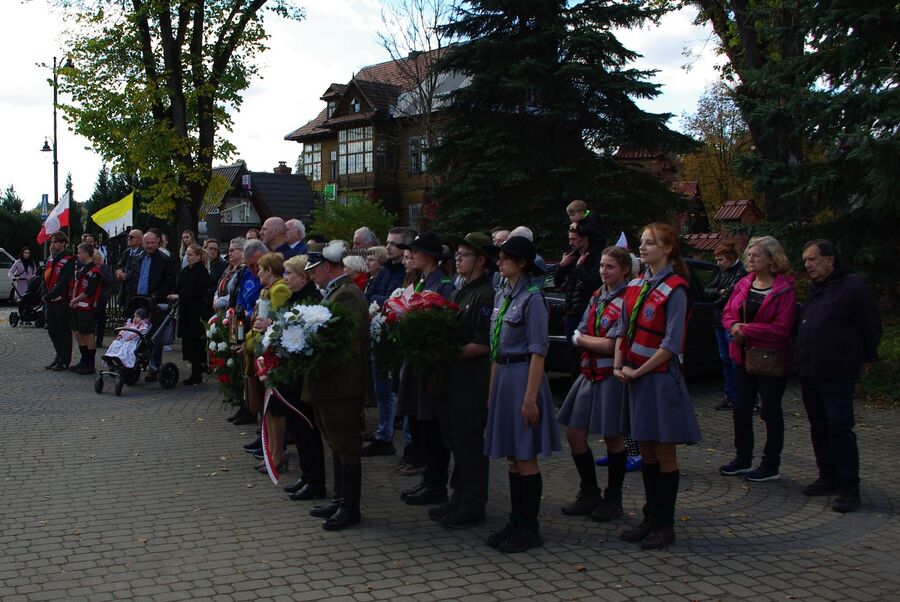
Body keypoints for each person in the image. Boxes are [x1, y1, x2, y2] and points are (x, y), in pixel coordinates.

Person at [612, 222, 701, 550]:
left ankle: (666, 522)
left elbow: (672, 342)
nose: (644, 247)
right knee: (645, 448)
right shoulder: (635, 284)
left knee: (663, 450)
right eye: (642, 242)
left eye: (651, 243)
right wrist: (620, 364)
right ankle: (650, 516)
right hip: (635, 376)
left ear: (668, 249)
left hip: (659, 378)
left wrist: (639, 371)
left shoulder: (676, 288)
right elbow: (622, 330)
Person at [482, 235, 560, 553]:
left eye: (504, 258)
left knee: (525, 456)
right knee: (513, 458)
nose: (499, 263)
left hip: (523, 378)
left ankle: (530, 526)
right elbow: (494, 348)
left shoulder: (533, 298)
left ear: (522, 263)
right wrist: (491, 393)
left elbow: (539, 351)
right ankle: (516, 520)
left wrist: (530, 398)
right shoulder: (503, 295)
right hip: (503, 377)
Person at [797, 240, 882, 513]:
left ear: (830, 260)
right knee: (818, 426)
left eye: (812, 259)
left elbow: (871, 325)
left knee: (839, 428)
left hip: (837, 371)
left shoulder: (853, 287)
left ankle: (848, 488)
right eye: (805, 260)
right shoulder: (816, 288)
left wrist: (867, 356)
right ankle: (827, 477)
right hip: (810, 369)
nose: (807, 264)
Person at [557, 246, 632, 520]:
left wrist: (582, 340)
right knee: (574, 434)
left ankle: (614, 499)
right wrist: (587, 339)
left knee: (613, 437)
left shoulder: (626, 300)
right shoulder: (598, 296)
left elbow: (612, 344)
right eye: (601, 266)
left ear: (624, 270)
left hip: (610, 376)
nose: (603, 271)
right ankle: (589, 492)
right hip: (589, 372)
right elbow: (586, 327)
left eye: (610, 266)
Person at [430, 232, 495, 529]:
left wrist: (445, 354)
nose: (457, 259)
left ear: (481, 260)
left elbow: (483, 344)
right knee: (453, 439)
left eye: (464, 255)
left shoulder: (484, 294)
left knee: (469, 443)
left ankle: (473, 504)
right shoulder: (460, 290)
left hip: (471, 380)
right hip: (452, 379)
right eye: (456, 254)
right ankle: (459, 496)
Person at [719, 236, 796, 482]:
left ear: (772, 259)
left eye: (756, 255)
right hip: (742, 357)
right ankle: (743, 458)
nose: (750, 259)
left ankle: (770, 464)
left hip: (770, 360)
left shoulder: (783, 289)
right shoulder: (743, 283)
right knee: (741, 409)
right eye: (748, 255)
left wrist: (746, 330)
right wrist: (733, 327)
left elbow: (782, 328)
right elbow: (728, 312)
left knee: (770, 412)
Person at [304, 241, 369, 530]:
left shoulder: (348, 295)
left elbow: (343, 342)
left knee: (345, 442)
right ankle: (340, 498)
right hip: (330, 381)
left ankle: (350, 506)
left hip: (341, 382)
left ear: (328, 267)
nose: (311, 275)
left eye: (314, 270)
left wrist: (312, 359)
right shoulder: (337, 292)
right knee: (335, 441)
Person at [395, 233, 456, 505]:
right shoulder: (422, 281)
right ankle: (429, 480)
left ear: (428, 257)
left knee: (433, 428)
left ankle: (436, 484)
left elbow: (442, 324)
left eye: (415, 252)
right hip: (420, 362)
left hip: (432, 366)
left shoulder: (442, 284)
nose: (412, 256)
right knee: (422, 425)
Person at [362, 227, 415, 458]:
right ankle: (384, 434)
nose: (388, 247)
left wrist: (384, 301)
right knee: (381, 389)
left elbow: (403, 299)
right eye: (387, 242)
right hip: (379, 335)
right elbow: (369, 297)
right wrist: (386, 300)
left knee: (400, 392)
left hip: (398, 338)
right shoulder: (384, 272)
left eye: (394, 243)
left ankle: (411, 444)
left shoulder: (409, 273)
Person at [280, 254, 327, 501]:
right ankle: (307, 476)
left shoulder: (311, 300)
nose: (285, 278)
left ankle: (315, 480)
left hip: (303, 375)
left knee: (307, 427)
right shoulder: (296, 297)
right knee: (298, 427)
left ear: (303, 276)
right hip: (292, 372)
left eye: (289, 274)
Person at [245, 252, 292, 471]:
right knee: (268, 408)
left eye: (261, 269)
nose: (258, 273)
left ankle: (277, 453)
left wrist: (254, 343)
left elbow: (274, 320)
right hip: (263, 350)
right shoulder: (267, 290)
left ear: (270, 271)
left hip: (271, 353)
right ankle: (271, 451)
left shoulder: (279, 289)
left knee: (274, 407)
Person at [125, 229, 177, 381]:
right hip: (138, 300)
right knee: (136, 332)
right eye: (146, 243)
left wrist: (156, 294)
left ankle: (154, 367)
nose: (149, 245)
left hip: (155, 302)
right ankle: (133, 362)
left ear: (158, 242)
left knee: (154, 336)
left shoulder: (164, 260)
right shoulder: (138, 258)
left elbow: (170, 281)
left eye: (152, 242)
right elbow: (133, 278)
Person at [555, 222, 603, 376]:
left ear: (585, 238)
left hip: (584, 310)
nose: (571, 242)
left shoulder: (595, 257)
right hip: (571, 309)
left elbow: (591, 283)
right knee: (572, 353)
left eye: (574, 239)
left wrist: (580, 266)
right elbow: (557, 282)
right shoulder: (572, 255)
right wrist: (563, 266)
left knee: (580, 354)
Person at [704, 243, 748, 411]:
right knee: (725, 360)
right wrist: (718, 293)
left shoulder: (740, 273)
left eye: (721, 259)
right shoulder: (722, 272)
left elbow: (729, 296)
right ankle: (730, 395)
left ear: (730, 258)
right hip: (719, 321)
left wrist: (718, 297)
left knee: (734, 359)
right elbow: (708, 290)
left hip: (731, 321)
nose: (718, 263)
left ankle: (742, 395)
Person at [168, 244, 213, 385]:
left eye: (191, 255)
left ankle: (197, 373)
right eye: (187, 254)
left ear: (199, 256)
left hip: (197, 312)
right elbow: (179, 285)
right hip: (186, 311)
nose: (188, 257)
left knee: (196, 342)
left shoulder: (202, 272)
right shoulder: (185, 270)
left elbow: (199, 292)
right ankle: (195, 371)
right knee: (189, 341)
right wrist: (174, 293)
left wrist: (180, 296)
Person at [41, 232, 76, 371]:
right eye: (52, 242)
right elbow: (44, 278)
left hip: (61, 301)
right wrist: (44, 293)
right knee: (52, 330)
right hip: (50, 300)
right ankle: (58, 356)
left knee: (63, 331)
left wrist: (50, 295)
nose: (53, 245)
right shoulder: (50, 259)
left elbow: (64, 281)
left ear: (63, 243)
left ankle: (64, 360)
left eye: (55, 242)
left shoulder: (68, 259)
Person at [68, 243, 103, 375]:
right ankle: (83, 360)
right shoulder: (84, 269)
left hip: (87, 307)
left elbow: (89, 291)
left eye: (80, 252)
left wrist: (75, 300)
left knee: (88, 334)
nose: (78, 255)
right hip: (78, 307)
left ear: (87, 254)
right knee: (78, 334)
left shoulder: (94, 272)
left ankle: (90, 364)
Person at [93, 251, 116, 348]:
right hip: (91, 297)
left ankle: (99, 340)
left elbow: (110, 281)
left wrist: (101, 277)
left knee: (101, 320)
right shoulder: (90, 267)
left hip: (101, 298)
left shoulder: (105, 268)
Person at [115, 229, 143, 307]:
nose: (129, 239)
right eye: (128, 237)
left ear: (140, 240)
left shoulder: (143, 253)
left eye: (132, 237)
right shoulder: (126, 252)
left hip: (135, 290)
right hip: (125, 290)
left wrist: (127, 276)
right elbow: (119, 266)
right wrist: (119, 272)